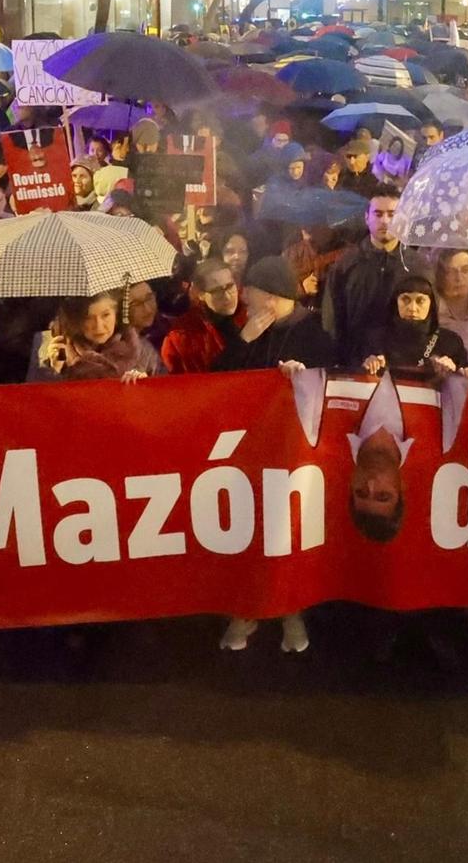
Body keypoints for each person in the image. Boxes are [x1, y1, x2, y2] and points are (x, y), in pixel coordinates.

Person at [212, 256, 330, 655]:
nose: (250, 304)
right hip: (250, 450)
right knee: (250, 531)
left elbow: (331, 383)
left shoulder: (313, 333)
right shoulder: (249, 330)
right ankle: (246, 611)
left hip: (294, 452)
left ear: (279, 298)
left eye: (258, 297)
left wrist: (304, 377)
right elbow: (218, 382)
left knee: (290, 532)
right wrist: (244, 339)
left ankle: (291, 609)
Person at [319, 193, 419, 365]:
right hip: (354, 363)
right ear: (367, 217)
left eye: (392, 214)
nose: (385, 221)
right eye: (378, 214)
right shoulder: (347, 263)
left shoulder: (416, 265)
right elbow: (331, 318)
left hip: (404, 366)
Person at [215, 257, 337, 374]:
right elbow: (219, 377)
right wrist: (243, 340)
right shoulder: (253, 330)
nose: (243, 297)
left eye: (249, 291)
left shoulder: (317, 329)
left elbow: (324, 380)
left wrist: (302, 374)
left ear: (270, 296)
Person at [29, 291, 163, 381]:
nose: (98, 326)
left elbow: (164, 396)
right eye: (88, 318)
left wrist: (145, 386)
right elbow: (35, 403)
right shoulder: (50, 345)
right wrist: (53, 371)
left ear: (116, 315)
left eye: (105, 315)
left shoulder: (142, 350)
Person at [359, 274, 468, 383]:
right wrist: (368, 367)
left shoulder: (450, 342)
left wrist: (453, 371)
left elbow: (464, 384)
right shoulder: (375, 340)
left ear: (432, 304)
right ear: (396, 301)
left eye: (420, 301)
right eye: (405, 299)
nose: (412, 308)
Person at [161, 259, 245, 375]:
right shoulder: (182, 337)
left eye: (229, 286)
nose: (226, 296)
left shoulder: (251, 316)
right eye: (216, 290)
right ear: (201, 294)